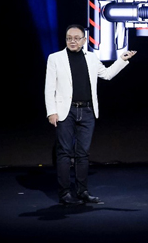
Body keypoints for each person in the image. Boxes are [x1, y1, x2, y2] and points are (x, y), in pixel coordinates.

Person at [45, 24, 137, 205]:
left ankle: (82, 191)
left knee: (83, 154)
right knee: (64, 153)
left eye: (76, 38)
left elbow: (107, 75)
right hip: (66, 111)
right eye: (69, 38)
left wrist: (122, 60)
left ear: (84, 40)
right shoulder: (55, 58)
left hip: (87, 111)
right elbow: (49, 87)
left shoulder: (92, 58)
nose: (72, 41)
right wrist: (51, 112)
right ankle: (65, 194)